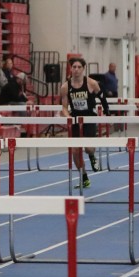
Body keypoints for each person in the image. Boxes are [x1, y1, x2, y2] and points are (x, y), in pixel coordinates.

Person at [61, 57, 109, 189]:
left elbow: (102, 96)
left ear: (83, 69)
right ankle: (84, 177)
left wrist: (107, 110)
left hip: (89, 117)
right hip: (75, 118)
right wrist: (68, 116)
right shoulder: (65, 87)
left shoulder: (91, 83)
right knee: (75, 151)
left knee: (88, 148)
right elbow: (64, 107)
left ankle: (92, 156)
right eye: (74, 67)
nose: (76, 70)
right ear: (71, 69)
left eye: (79, 67)